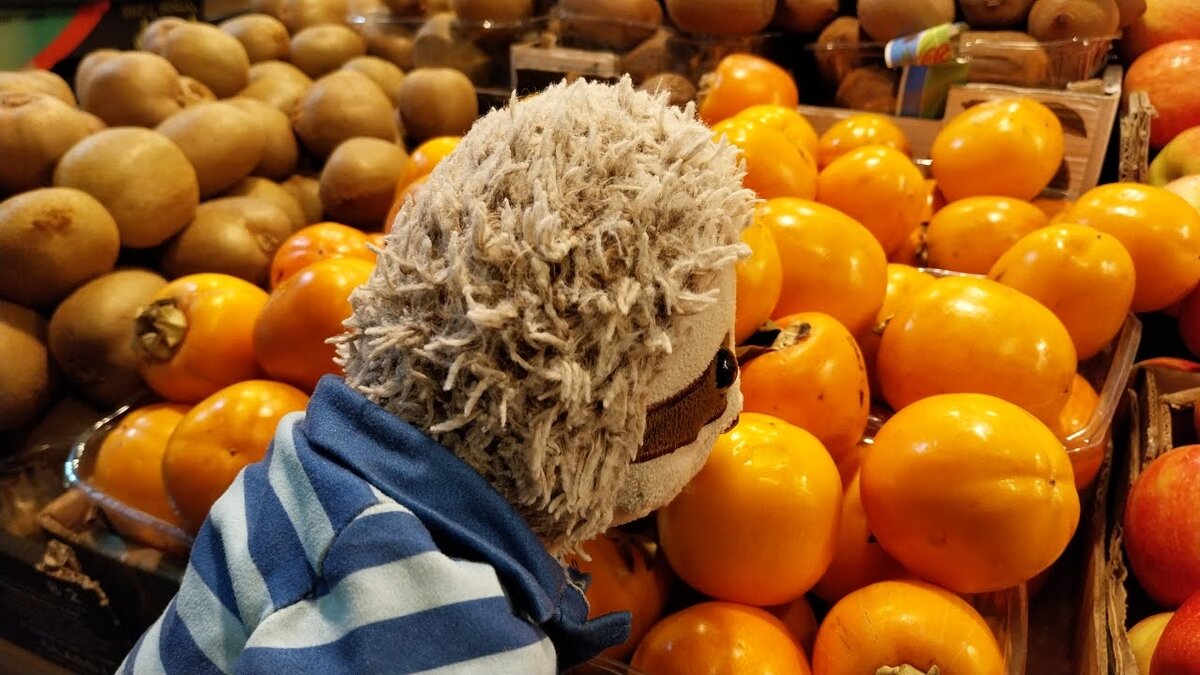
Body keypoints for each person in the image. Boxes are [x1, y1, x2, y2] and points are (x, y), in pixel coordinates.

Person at [120, 76, 753, 674]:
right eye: (718, 372)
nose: (737, 407)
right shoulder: (455, 636)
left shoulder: (297, 471)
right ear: (597, 412)